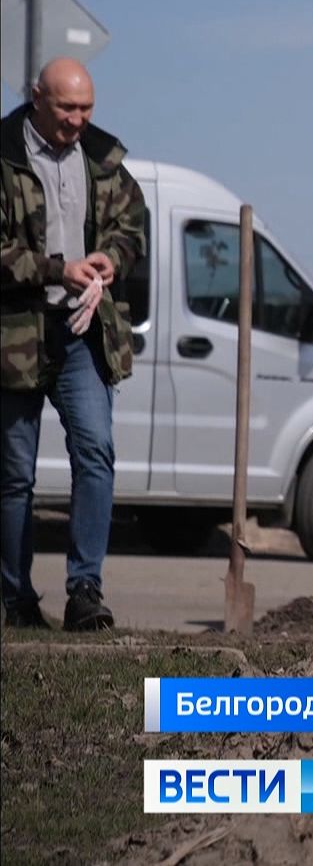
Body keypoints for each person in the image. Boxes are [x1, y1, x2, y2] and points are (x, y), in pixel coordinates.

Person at [2, 58, 149, 631]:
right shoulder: (5, 154)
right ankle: (16, 600)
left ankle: (85, 590)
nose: (77, 121)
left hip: (84, 332)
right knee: (15, 476)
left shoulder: (104, 159)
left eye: (86, 109)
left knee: (96, 452)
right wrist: (55, 269)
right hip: (14, 338)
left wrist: (111, 258)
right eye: (66, 108)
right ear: (36, 97)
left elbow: (131, 226)